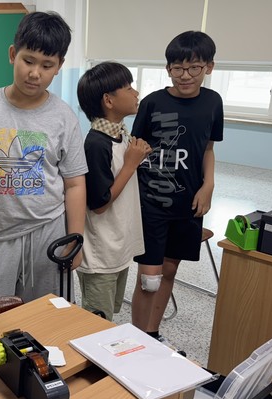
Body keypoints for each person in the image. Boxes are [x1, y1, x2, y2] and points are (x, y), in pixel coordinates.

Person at [0, 11, 87, 304]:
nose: (35, 73)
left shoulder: (64, 117)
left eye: (47, 65)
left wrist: (76, 238)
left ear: (59, 66)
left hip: (48, 235)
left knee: (47, 316)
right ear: (13, 54)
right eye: (29, 60)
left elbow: (75, 183)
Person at [130, 31, 223, 339]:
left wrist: (208, 185)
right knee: (149, 279)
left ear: (209, 67)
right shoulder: (153, 102)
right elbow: (136, 149)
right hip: (152, 201)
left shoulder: (212, 102)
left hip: (189, 201)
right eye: (178, 68)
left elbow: (208, 148)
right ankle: (136, 337)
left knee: (169, 269)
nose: (185, 75)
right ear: (168, 68)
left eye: (194, 67)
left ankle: (152, 333)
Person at [76, 62, 152, 320]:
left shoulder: (120, 135)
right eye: (128, 88)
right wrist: (130, 165)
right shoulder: (96, 143)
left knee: (109, 315)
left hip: (118, 245)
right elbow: (100, 203)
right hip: (101, 254)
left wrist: (135, 157)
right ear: (109, 100)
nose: (136, 93)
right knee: (96, 321)